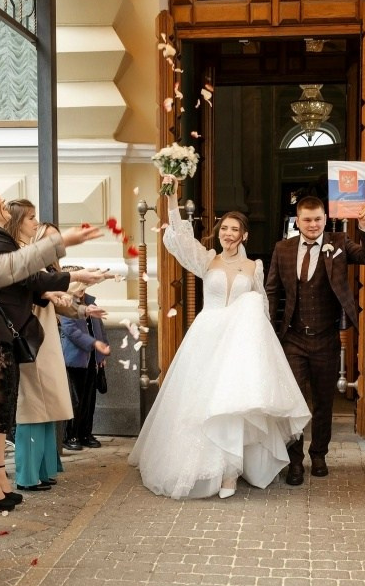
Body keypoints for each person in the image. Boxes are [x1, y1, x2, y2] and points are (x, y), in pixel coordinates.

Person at [131, 208, 311, 499]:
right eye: (224, 228)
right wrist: (173, 196)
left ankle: (231, 472)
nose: (228, 233)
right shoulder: (207, 259)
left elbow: (261, 307)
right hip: (207, 339)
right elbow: (177, 238)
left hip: (238, 345)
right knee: (202, 402)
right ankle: (206, 468)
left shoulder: (255, 267)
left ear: (244, 235)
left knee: (233, 404)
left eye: (234, 229)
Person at [0, 189, 105, 508]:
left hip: (9, 329)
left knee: (2, 410)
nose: (1, 200)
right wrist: (72, 275)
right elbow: (25, 273)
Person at [265, 196, 365, 484]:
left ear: (325, 219)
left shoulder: (339, 243)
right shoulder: (283, 249)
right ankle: (294, 461)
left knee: (324, 402)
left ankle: (319, 455)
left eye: (318, 219)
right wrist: (266, 326)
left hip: (327, 338)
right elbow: (272, 290)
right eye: (307, 219)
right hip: (292, 338)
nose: (313, 224)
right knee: (293, 403)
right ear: (297, 221)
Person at [9, 217, 78, 492]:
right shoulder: (30, 265)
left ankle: (46, 467)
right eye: (49, 239)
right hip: (33, 339)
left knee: (49, 404)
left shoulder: (50, 268)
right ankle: (27, 473)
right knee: (33, 406)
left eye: (57, 240)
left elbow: (61, 304)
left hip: (48, 339)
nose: (55, 244)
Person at [60, 277, 110, 451]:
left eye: (84, 287)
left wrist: (102, 349)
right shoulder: (65, 305)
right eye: (79, 288)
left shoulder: (90, 301)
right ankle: (70, 434)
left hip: (92, 359)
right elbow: (71, 332)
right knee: (75, 400)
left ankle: (85, 433)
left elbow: (99, 327)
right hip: (74, 359)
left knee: (89, 399)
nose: (82, 291)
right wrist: (93, 344)